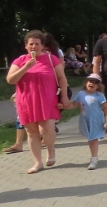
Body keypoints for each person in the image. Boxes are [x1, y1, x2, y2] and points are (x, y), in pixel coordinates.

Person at [7, 30, 71, 173]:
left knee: (47, 128)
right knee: (31, 132)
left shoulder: (51, 59)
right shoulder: (20, 61)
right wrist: (26, 67)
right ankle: (37, 162)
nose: (33, 47)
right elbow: (10, 80)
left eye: (37, 44)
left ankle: (50, 150)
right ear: (26, 46)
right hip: (26, 101)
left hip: (47, 100)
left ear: (42, 45)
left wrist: (64, 96)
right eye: (31, 44)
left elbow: (61, 78)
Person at [65, 73, 107, 170]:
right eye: (90, 81)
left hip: (96, 120)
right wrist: (64, 106)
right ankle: (94, 157)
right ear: (86, 83)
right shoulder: (81, 94)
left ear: (98, 86)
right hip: (85, 120)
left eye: (95, 83)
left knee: (93, 139)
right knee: (90, 139)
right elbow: (74, 105)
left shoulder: (99, 95)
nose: (92, 84)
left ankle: (94, 159)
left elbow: (105, 108)